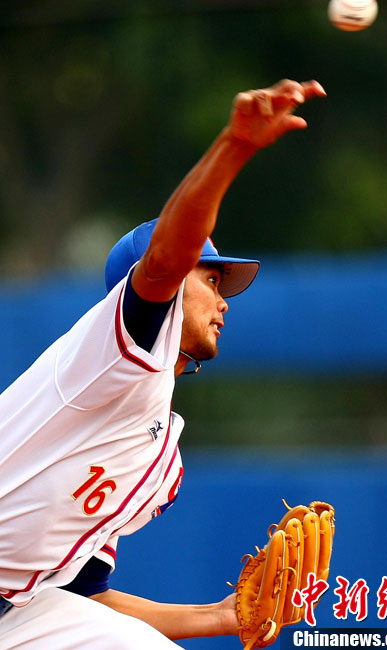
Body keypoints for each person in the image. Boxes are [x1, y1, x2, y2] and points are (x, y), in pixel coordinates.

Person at [0, 78, 326, 649]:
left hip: (16, 610)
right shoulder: (107, 357)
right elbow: (163, 263)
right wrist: (235, 147)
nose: (224, 300)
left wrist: (223, 615)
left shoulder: (157, 453)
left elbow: (84, 597)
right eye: (210, 278)